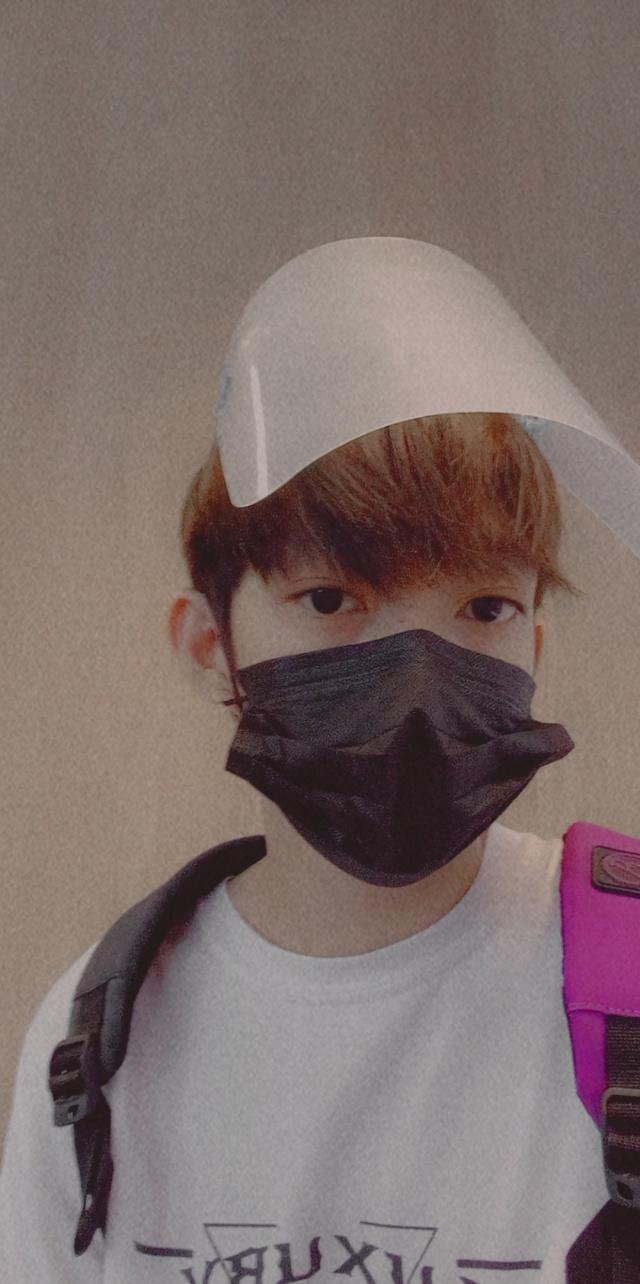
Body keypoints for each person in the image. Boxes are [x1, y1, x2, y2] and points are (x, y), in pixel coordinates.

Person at [0, 409, 609, 1281]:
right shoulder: (96, 1042)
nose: (415, 680)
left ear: (534, 650)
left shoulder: (624, 977)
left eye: (486, 607)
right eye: (330, 599)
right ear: (210, 645)